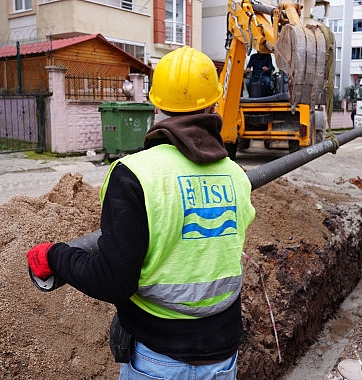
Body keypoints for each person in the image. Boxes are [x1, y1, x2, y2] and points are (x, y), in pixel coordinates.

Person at [27, 46, 256, 379]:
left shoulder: (134, 174)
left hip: (158, 360)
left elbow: (113, 280)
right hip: (222, 359)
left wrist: (56, 255)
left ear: (156, 104)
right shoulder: (235, 175)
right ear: (214, 104)